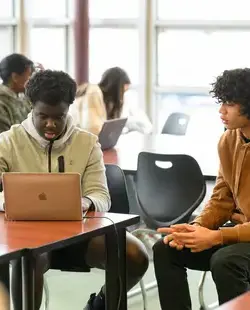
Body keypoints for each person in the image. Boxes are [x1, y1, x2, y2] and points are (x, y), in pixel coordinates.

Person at [0, 70, 148, 310]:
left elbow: (101, 195)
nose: (51, 124)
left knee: (134, 255)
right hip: (28, 238)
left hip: (77, 235)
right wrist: (8, 200)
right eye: (43, 116)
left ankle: (98, 306)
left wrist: (87, 202)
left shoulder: (86, 143)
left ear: (68, 109)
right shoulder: (8, 142)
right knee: (28, 259)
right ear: (31, 108)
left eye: (58, 116)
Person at [153, 68, 250, 310]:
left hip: (239, 238)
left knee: (225, 261)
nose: (222, 111)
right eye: (221, 103)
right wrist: (197, 229)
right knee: (166, 247)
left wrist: (216, 236)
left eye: (229, 104)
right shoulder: (229, 139)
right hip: (241, 232)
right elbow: (221, 198)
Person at [70, 66, 152, 135]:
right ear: (115, 88)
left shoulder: (104, 101)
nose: (122, 97)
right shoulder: (93, 92)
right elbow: (93, 129)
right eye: (122, 91)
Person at [0, 53, 34, 133]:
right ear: (15, 77)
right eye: (29, 76)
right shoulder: (2, 102)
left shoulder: (22, 97)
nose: (31, 80)